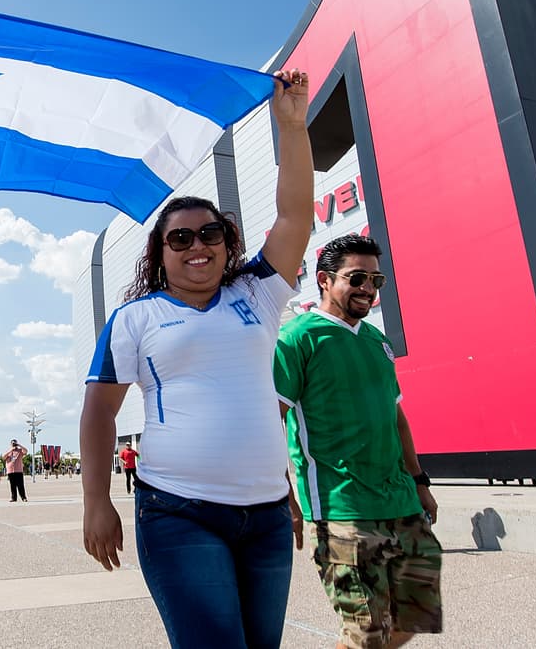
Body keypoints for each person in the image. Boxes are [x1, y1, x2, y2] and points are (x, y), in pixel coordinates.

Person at [80, 68, 313, 649]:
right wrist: (95, 501)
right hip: (178, 512)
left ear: (227, 243)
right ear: (160, 255)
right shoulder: (134, 318)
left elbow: (295, 218)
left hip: (264, 516)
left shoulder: (257, 293)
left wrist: (292, 126)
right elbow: (99, 414)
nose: (197, 246)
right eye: (179, 238)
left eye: (209, 233)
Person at [274, 234, 443, 648]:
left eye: (376, 279)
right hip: (340, 509)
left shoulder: (378, 342)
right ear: (325, 280)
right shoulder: (296, 339)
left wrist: (419, 481)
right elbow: (268, 422)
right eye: (357, 277)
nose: (368, 287)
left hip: (402, 501)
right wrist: (284, 496)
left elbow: (396, 417)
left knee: (415, 618)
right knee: (366, 632)